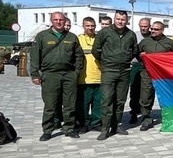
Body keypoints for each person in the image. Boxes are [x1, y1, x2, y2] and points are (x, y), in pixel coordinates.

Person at [30, 11, 85, 141]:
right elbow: (35, 57)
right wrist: (35, 74)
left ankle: (69, 128)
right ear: (51, 21)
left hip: (68, 75)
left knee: (69, 104)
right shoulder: (42, 36)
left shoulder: (71, 37)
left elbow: (79, 56)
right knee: (50, 105)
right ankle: (48, 130)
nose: (59, 22)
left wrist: (76, 72)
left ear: (65, 21)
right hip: (50, 75)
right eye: (56, 20)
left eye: (61, 20)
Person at [92, 10, 139, 141]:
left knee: (120, 100)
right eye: (118, 19)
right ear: (114, 19)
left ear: (127, 20)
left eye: (123, 19)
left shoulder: (131, 34)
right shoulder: (104, 33)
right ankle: (105, 129)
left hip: (124, 71)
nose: (120, 21)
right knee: (107, 99)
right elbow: (96, 50)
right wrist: (106, 61)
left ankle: (116, 126)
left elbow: (134, 50)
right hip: (108, 70)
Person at [137, 21, 173, 131]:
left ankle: (168, 117)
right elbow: (136, 53)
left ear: (162, 30)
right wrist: (140, 56)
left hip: (163, 74)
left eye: (156, 29)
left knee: (165, 96)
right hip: (147, 73)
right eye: (152, 29)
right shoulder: (145, 42)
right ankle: (146, 119)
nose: (153, 31)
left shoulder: (169, 43)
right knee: (145, 96)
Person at [76, 17, 102, 133]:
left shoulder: (99, 38)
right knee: (83, 104)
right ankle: (84, 124)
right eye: (88, 25)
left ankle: (96, 123)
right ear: (83, 26)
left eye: (92, 26)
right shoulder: (78, 39)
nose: (90, 28)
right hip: (84, 78)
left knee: (98, 103)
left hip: (99, 77)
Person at [128, 17, 151, 125]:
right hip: (136, 64)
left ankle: (145, 113)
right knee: (134, 90)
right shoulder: (134, 35)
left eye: (145, 26)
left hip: (148, 66)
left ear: (149, 26)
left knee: (146, 91)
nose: (143, 28)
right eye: (141, 26)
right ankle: (134, 112)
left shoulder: (152, 36)